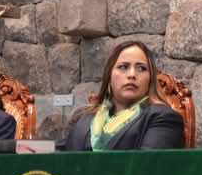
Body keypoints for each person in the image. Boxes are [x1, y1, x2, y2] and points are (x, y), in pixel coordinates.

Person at [56, 41, 184, 151]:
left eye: (141, 68)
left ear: (150, 79)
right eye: (123, 67)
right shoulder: (81, 116)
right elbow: (57, 161)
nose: (132, 74)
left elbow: (146, 168)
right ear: (109, 76)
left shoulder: (162, 117)